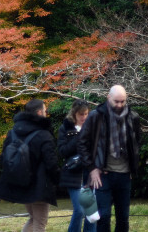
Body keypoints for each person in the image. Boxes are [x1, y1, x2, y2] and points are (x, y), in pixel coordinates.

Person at [77, 85, 142, 232]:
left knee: (123, 217)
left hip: (125, 174)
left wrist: (133, 165)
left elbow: (136, 142)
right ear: (108, 98)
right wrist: (92, 168)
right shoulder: (96, 116)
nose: (119, 105)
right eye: (116, 101)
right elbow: (82, 143)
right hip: (103, 174)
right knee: (104, 216)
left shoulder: (133, 117)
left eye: (123, 101)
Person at [0, 99, 58, 232]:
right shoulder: (44, 134)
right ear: (39, 112)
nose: (46, 113)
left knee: (33, 219)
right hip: (40, 187)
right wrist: (59, 180)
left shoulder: (13, 133)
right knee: (40, 223)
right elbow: (51, 163)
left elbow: (3, 157)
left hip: (21, 184)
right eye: (45, 111)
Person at [58, 99, 95, 232]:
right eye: (81, 114)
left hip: (91, 173)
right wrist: (78, 137)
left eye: (86, 114)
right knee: (79, 210)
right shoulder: (65, 128)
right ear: (74, 114)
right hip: (73, 174)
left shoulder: (92, 127)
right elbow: (62, 151)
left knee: (91, 212)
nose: (84, 117)